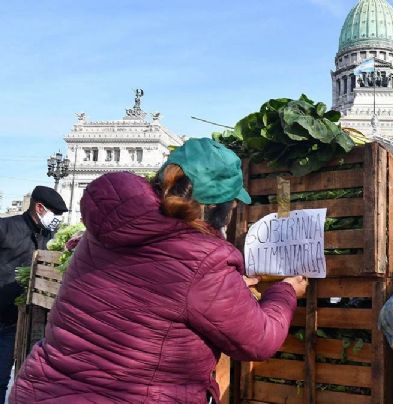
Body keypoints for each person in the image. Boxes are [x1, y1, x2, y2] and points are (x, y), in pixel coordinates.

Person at [10, 138, 308, 403]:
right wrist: (285, 291)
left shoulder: (106, 229)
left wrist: (227, 288)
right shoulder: (202, 259)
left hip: (41, 390)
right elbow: (259, 339)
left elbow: (154, 291)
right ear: (213, 207)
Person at [0, 186, 67, 403]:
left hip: (15, 323)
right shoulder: (5, 228)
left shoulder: (50, 237)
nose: (56, 220)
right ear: (39, 208)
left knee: (1, 379)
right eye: (55, 214)